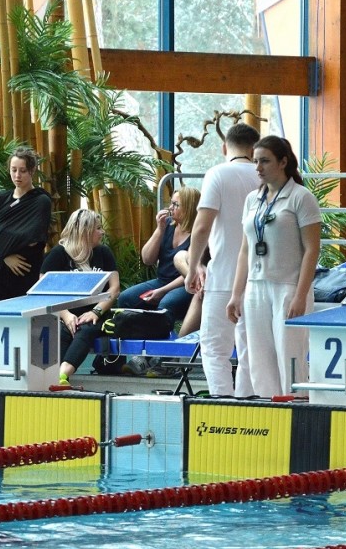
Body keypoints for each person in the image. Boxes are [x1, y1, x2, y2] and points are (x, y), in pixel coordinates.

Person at [226, 135, 321, 397]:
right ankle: (269, 409)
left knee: (290, 357)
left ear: (283, 162)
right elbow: (245, 250)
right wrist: (236, 294)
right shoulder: (252, 200)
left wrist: (300, 295)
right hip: (256, 288)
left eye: (264, 161)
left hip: (288, 287)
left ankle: (295, 409)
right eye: (255, 161)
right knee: (259, 359)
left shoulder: (301, 197)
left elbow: (312, 250)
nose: (257, 167)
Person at [186, 122, 260, 397]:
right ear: (254, 149)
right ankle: (246, 401)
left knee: (215, 347)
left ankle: (221, 400)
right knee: (250, 348)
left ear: (224, 148)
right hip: (258, 276)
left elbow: (201, 227)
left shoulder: (217, 173)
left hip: (224, 274)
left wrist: (193, 267)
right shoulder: (264, 176)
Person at [40, 209, 119, 386]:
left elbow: (114, 289)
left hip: (97, 313)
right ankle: (52, 379)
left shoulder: (104, 253)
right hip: (64, 313)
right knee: (63, 331)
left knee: (86, 328)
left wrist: (95, 312)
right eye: (98, 228)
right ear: (85, 231)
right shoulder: (58, 254)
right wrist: (66, 315)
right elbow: (43, 291)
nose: (102, 232)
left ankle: (61, 376)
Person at [0, 147, 52, 302]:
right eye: (14, 170)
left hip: (28, 268)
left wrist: (1, 239)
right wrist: (6, 255)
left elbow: (32, 237)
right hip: (0, 273)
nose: (17, 175)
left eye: (23, 171)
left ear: (32, 171)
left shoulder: (41, 201)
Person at [117, 186, 196, 321]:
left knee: (166, 304)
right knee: (126, 298)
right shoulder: (168, 224)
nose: (170, 208)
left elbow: (191, 273)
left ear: (189, 208)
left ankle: (161, 334)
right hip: (161, 281)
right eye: (171, 203)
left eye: (175, 204)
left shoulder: (198, 232)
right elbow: (147, 259)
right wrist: (160, 229)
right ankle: (137, 332)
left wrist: (163, 291)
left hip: (185, 284)